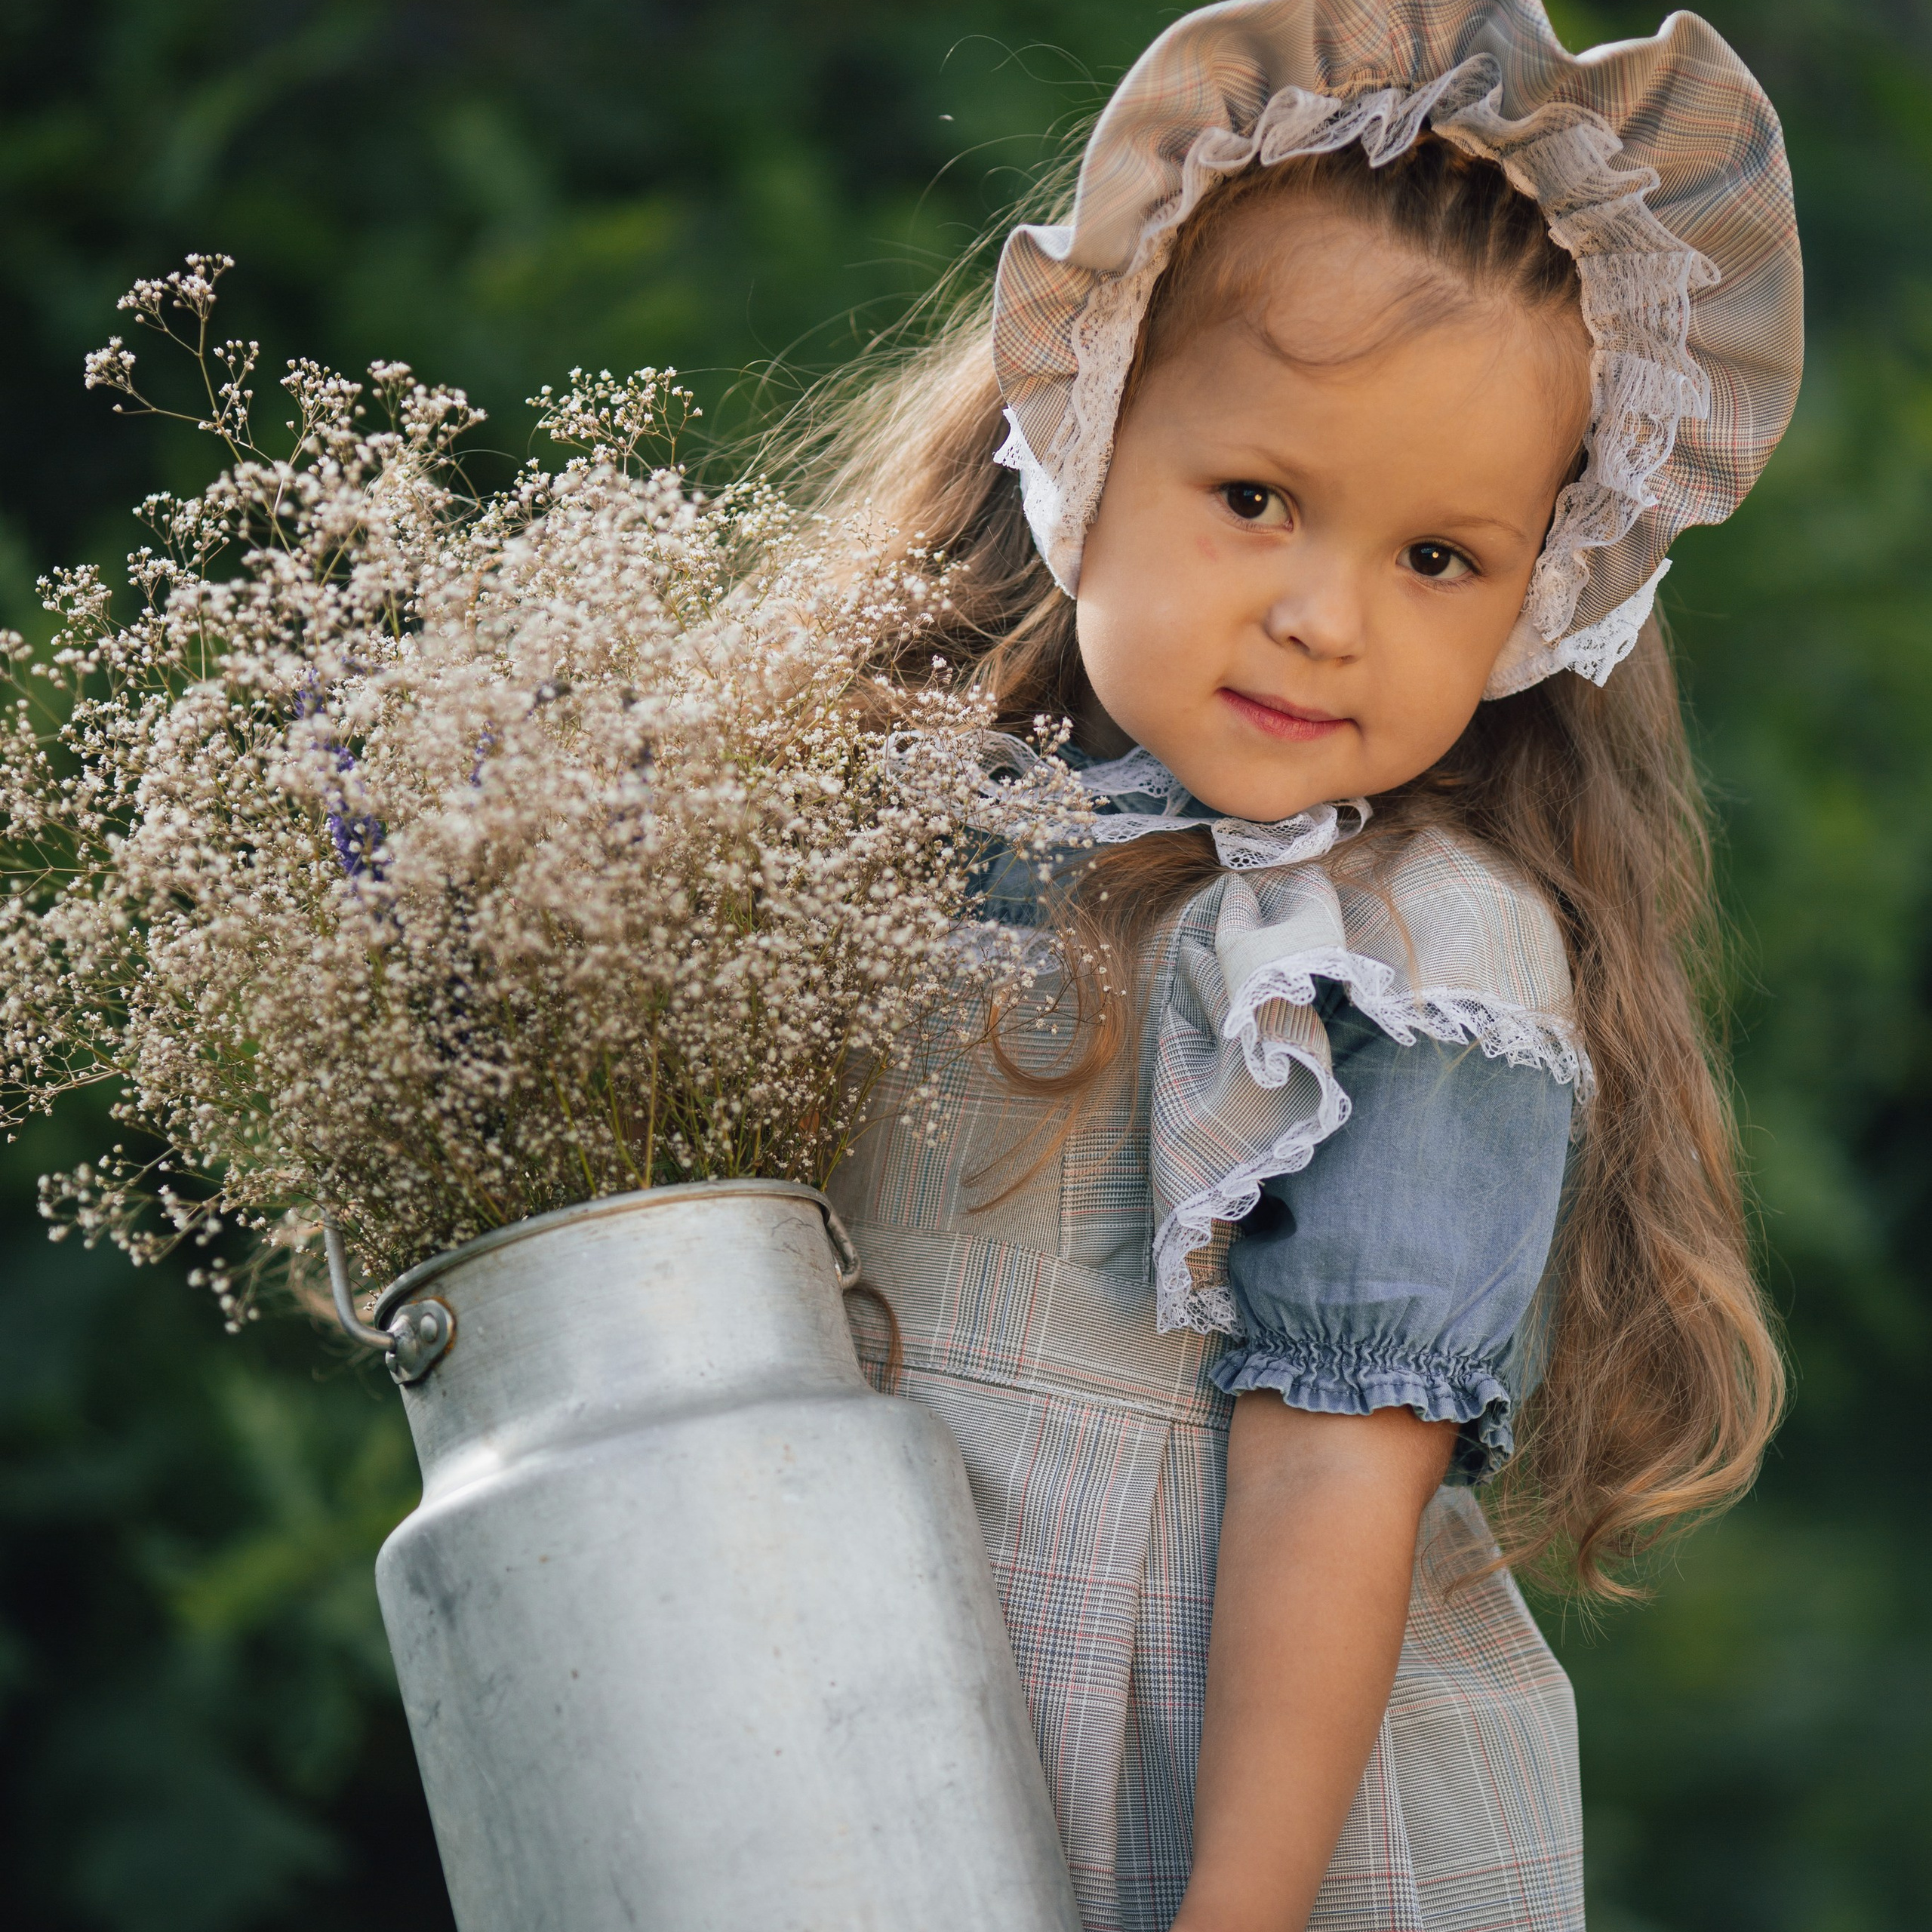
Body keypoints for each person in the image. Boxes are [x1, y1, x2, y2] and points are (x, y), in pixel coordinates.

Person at [820, 2, 1803, 1926]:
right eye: (1254, 498)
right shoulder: (935, 842)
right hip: (900, 1740)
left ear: (1546, 589)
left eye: (1435, 557)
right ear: (1083, 435)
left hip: (1247, 1828)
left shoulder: (1407, 957)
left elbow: (1335, 1473)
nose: (1316, 617)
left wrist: (1237, 1910)